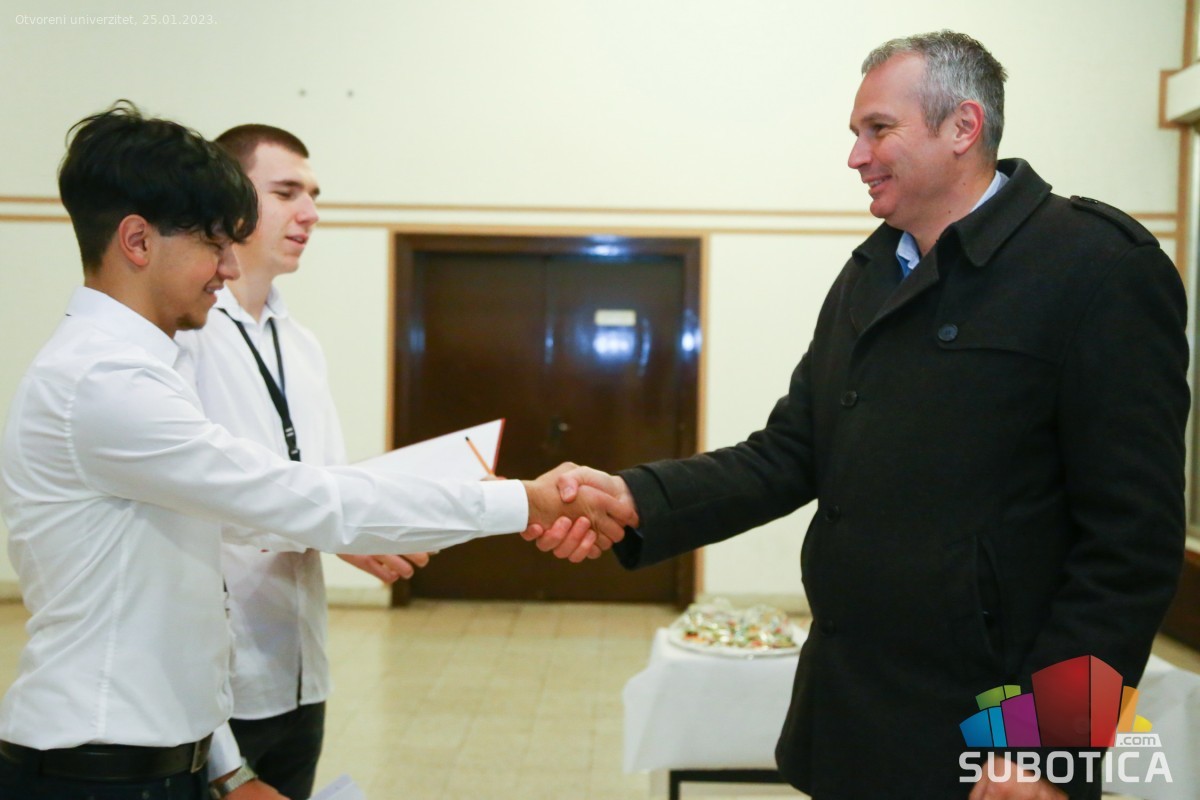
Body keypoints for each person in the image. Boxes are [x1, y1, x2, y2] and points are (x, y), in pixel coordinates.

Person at [537, 31, 1189, 800]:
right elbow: (790, 453)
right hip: (849, 719)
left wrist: (1049, 747)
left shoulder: (1097, 269)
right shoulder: (872, 271)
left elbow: (1133, 544)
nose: (856, 156)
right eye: (856, 133)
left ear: (963, 126)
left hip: (989, 737)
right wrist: (637, 497)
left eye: (878, 129)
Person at [0, 101, 622, 800]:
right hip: (94, 769)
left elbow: (186, 602)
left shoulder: (140, 367)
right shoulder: (106, 382)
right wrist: (523, 502)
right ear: (138, 241)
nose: (227, 265)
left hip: (164, 753)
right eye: (213, 242)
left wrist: (226, 767)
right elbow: (301, 497)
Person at [173, 124, 427, 799]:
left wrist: (364, 530)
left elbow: (326, 482)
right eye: (286, 192)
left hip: (300, 670)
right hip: (214, 679)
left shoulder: (302, 343)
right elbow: (200, 499)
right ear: (229, 199)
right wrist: (328, 524)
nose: (310, 213)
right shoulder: (187, 336)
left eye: (313, 195)